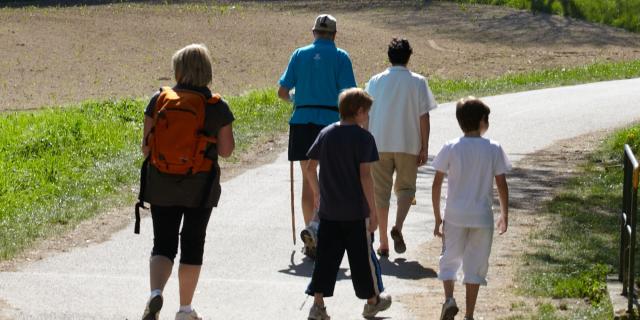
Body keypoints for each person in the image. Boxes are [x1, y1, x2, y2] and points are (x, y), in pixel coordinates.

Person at [139, 44, 235, 320]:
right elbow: (227, 150)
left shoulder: (159, 100)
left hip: (161, 182)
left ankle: (155, 293)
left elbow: (146, 148)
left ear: (178, 69)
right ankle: (184, 310)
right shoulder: (216, 105)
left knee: (163, 243)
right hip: (200, 185)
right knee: (193, 244)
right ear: (207, 70)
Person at [305, 88, 392, 320]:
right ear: (360, 111)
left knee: (325, 259)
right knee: (362, 259)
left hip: (329, 211)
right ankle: (372, 301)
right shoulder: (364, 138)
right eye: (368, 113)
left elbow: (310, 168)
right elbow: (365, 176)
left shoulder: (326, 133)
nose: (368, 117)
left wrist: (317, 193)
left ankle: (318, 306)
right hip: (355, 212)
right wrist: (373, 211)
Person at [278, 14, 357, 258]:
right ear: (334, 34)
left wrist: (297, 100)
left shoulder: (299, 54)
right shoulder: (341, 57)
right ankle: (318, 228)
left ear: (314, 32)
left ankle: (310, 234)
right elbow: (349, 93)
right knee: (329, 179)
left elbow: (282, 91)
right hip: (331, 122)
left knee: (307, 178)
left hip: (302, 121)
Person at [431, 97, 510, 320]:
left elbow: (437, 183)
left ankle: (449, 299)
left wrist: (438, 217)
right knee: (475, 264)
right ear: (482, 121)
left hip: (454, 214)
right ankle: (470, 314)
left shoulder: (451, 147)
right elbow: (501, 184)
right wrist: (504, 214)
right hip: (482, 216)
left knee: (449, 259)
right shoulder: (493, 148)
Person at [365, 38, 438, 257]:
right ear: (409, 56)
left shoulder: (375, 81)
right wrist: (424, 146)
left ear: (389, 56)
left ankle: (384, 241)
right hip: (407, 143)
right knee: (406, 189)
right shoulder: (418, 82)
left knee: (381, 193)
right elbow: (423, 116)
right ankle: (398, 226)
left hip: (378, 143)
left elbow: (367, 115)